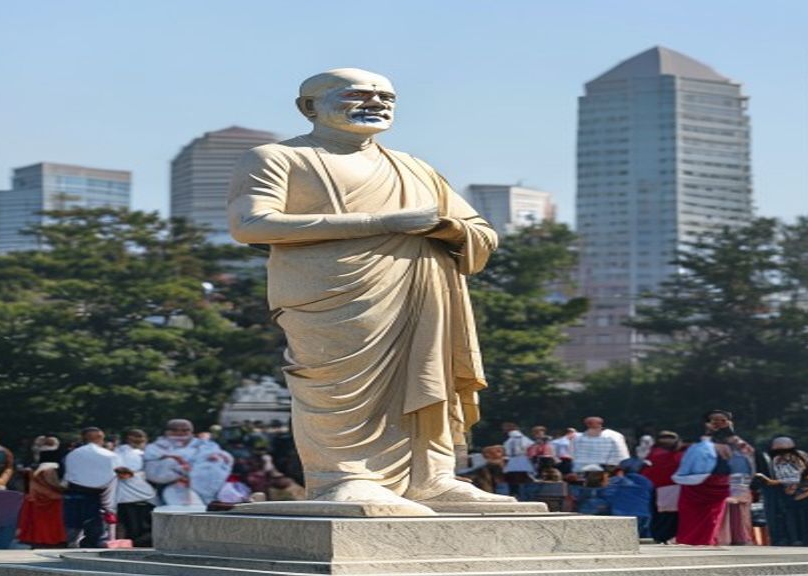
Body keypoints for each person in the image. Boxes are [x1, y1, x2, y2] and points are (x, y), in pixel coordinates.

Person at [226, 67, 512, 514]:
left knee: (426, 377)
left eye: (386, 97)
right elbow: (250, 225)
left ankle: (432, 477)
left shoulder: (414, 167)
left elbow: (480, 231)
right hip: (331, 293)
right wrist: (382, 223)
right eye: (356, 95)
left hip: (421, 288)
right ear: (309, 107)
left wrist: (449, 227)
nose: (375, 103)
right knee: (334, 384)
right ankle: (344, 476)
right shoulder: (277, 158)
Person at [673, 411, 735, 546]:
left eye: (722, 420)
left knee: (713, 514)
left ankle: (707, 539)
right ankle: (690, 539)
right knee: (692, 513)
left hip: (717, 481)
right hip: (694, 482)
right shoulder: (696, 437)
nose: (718, 423)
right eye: (714, 420)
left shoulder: (732, 439)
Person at [144, 419, 233, 507]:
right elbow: (152, 471)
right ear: (166, 431)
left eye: (185, 430)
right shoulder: (154, 448)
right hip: (169, 490)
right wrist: (176, 471)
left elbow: (222, 462)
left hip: (207, 492)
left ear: (191, 431)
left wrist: (217, 459)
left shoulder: (206, 445)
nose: (180, 433)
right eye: (174, 430)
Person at [754, 436, 808, 547]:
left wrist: (777, 483)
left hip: (795, 494)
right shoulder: (797, 456)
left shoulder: (789, 458)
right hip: (800, 494)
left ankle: (798, 540)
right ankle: (800, 540)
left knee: (796, 519)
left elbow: (794, 477)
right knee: (799, 520)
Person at [63, 427, 119, 548]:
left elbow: (67, 476)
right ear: (100, 438)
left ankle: (72, 543)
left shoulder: (72, 454)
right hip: (97, 496)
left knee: (73, 524)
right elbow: (115, 476)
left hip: (73, 493)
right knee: (95, 526)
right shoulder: (110, 455)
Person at [17, 437, 66, 548]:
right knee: (52, 523)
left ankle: (38, 539)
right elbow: (56, 485)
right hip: (54, 500)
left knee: (39, 522)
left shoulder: (33, 469)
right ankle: (53, 540)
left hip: (36, 498)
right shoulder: (53, 469)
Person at [113, 429, 156, 547]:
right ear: (128, 438)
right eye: (136, 437)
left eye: (142, 437)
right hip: (130, 497)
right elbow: (120, 471)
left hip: (145, 497)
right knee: (130, 528)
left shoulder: (148, 452)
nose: (139, 439)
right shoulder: (122, 452)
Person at [642, 431, 685, 544]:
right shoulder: (677, 455)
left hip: (663, 487)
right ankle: (665, 536)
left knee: (663, 513)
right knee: (669, 514)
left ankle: (661, 536)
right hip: (669, 487)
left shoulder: (653, 453)